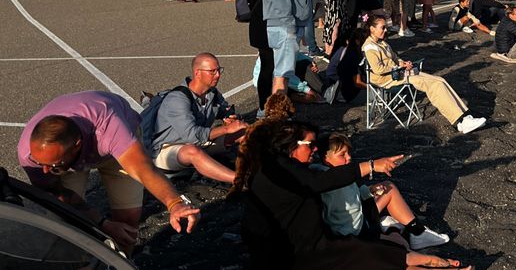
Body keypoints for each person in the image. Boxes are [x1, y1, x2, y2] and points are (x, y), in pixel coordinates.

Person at [230, 120, 471, 269]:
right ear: (290, 145)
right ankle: (430, 261)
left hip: (311, 246)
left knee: (381, 254)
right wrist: (371, 166)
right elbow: (321, 182)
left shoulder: (278, 166)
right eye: (310, 145)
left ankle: (429, 260)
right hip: (295, 255)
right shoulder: (281, 169)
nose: (315, 149)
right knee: (375, 255)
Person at [18, 91, 201, 254]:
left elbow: (143, 169)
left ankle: (123, 261)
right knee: (66, 221)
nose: (44, 170)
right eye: (40, 163)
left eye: (52, 165)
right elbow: (59, 196)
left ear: (77, 146)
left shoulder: (108, 128)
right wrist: (101, 223)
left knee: (128, 218)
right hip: (71, 154)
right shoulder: (31, 155)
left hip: (113, 137)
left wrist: (174, 203)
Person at [316, 133, 450, 250]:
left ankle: (411, 231)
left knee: (387, 186)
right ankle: (402, 230)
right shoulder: (331, 185)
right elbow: (328, 216)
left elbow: (353, 193)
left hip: (358, 217)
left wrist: (369, 190)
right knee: (402, 246)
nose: (349, 157)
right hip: (357, 229)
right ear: (326, 159)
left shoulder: (336, 175)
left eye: (348, 152)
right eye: (342, 155)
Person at [361, 16, 487, 134]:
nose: (385, 30)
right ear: (372, 29)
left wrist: (403, 63)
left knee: (440, 80)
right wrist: (399, 66)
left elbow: (394, 57)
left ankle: (464, 116)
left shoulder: (382, 43)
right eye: (382, 27)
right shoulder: (369, 47)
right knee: (434, 85)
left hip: (398, 74)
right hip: (388, 80)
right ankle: (459, 121)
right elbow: (378, 69)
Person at [143, 53, 248, 183]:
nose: (218, 75)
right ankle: (241, 181)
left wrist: (230, 117)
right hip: (166, 151)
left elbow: (224, 111)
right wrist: (226, 129)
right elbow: (192, 136)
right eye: (212, 71)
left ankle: (261, 168)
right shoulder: (177, 99)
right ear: (197, 73)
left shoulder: (212, 93)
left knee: (244, 132)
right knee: (192, 151)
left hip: (197, 144)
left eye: (219, 70)